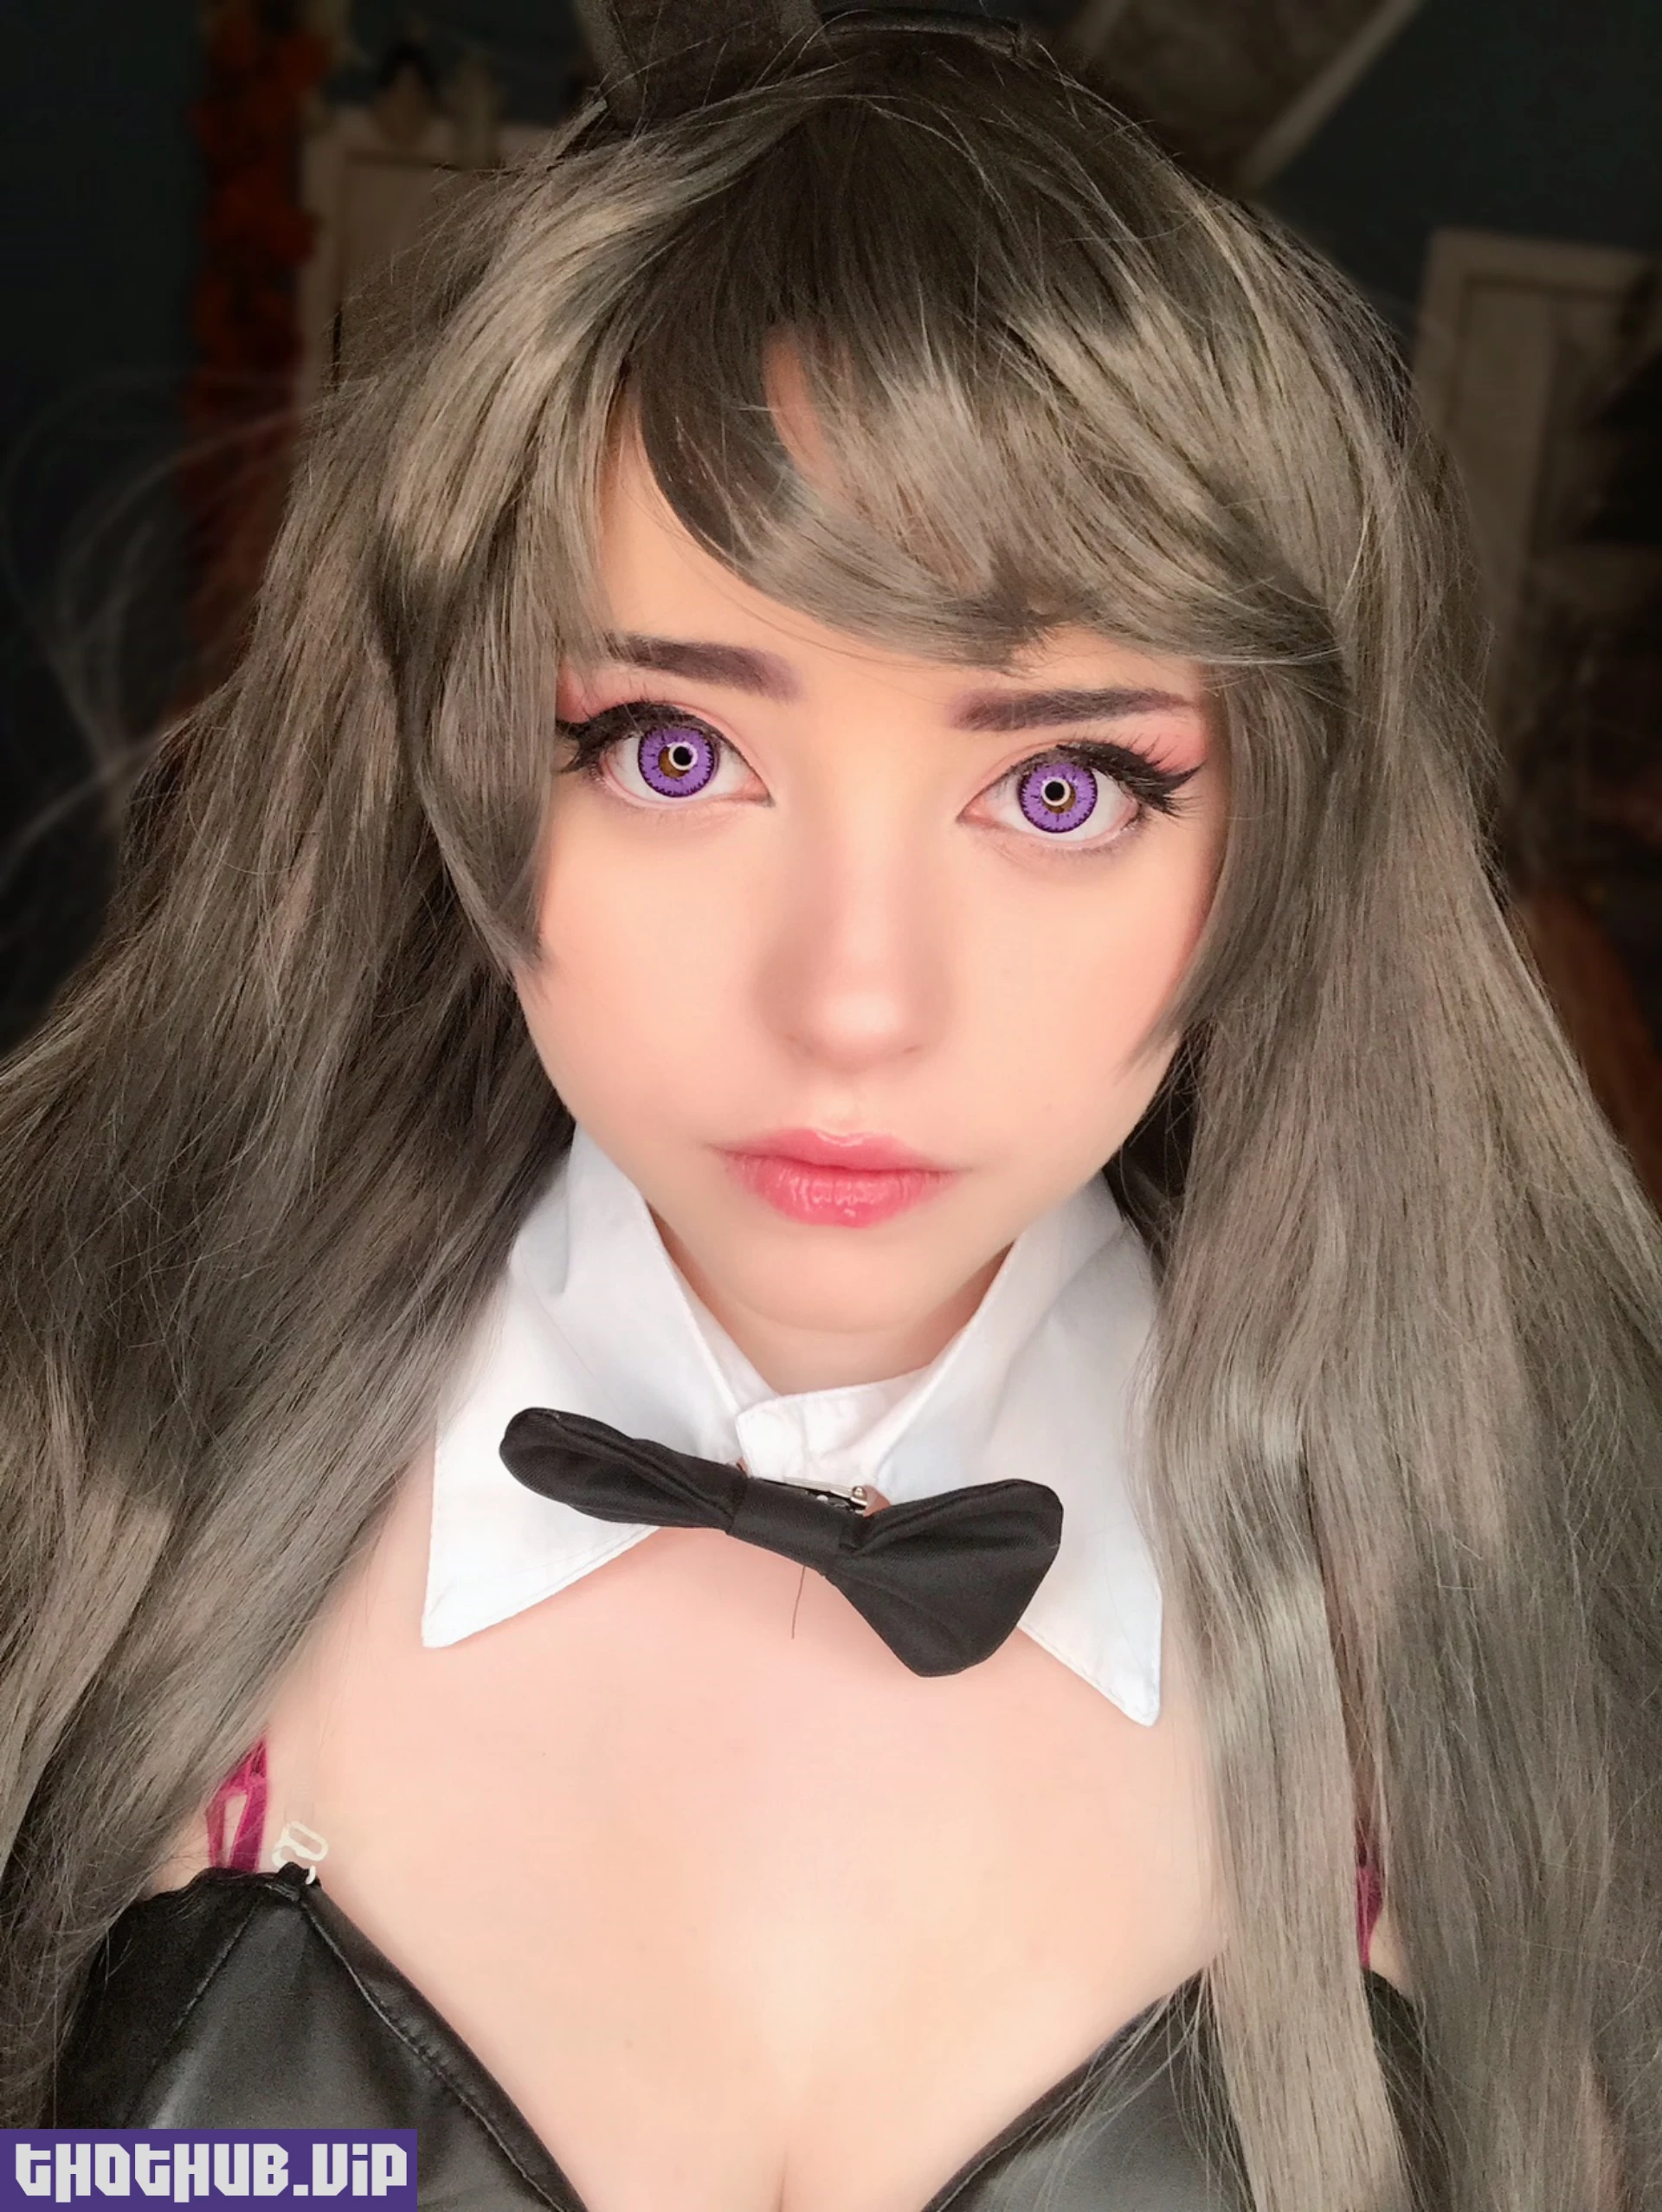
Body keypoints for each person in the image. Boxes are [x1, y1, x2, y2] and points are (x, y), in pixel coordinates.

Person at [3, 10, 1659, 2208]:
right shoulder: (74, 1499)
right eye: (674, 752)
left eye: (1063, 787)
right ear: (449, 764)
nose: (855, 1003)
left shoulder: (1538, 1641)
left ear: (1280, 843)